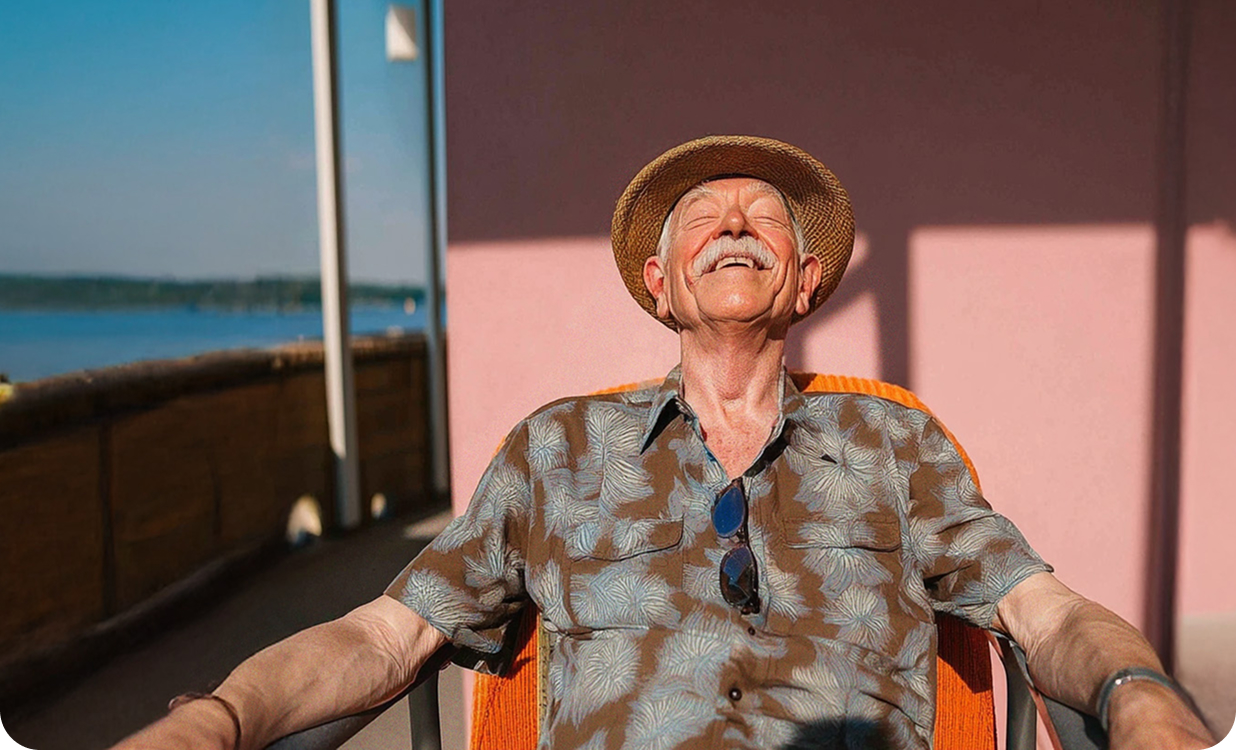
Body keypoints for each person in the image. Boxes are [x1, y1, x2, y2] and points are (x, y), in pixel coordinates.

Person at [112, 136, 1215, 750]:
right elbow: (383, 637)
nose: (734, 220)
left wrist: (1141, 698)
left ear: (807, 277)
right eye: (703, 215)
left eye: (763, 214)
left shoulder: (895, 441)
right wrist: (213, 723)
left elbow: (1045, 611)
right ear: (660, 284)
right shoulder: (556, 451)